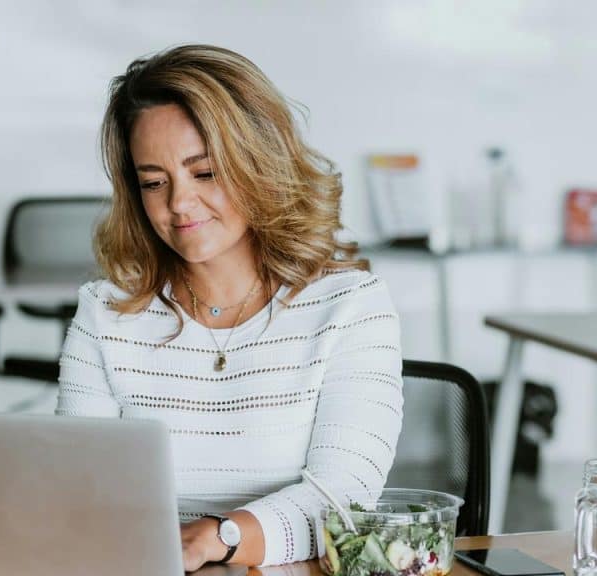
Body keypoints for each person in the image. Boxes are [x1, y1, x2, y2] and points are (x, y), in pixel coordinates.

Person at [55, 44, 404, 570]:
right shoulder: (105, 313)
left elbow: (346, 497)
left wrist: (220, 536)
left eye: (204, 172)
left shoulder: (351, 306)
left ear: (258, 164)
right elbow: (77, 491)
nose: (177, 203)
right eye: (154, 181)